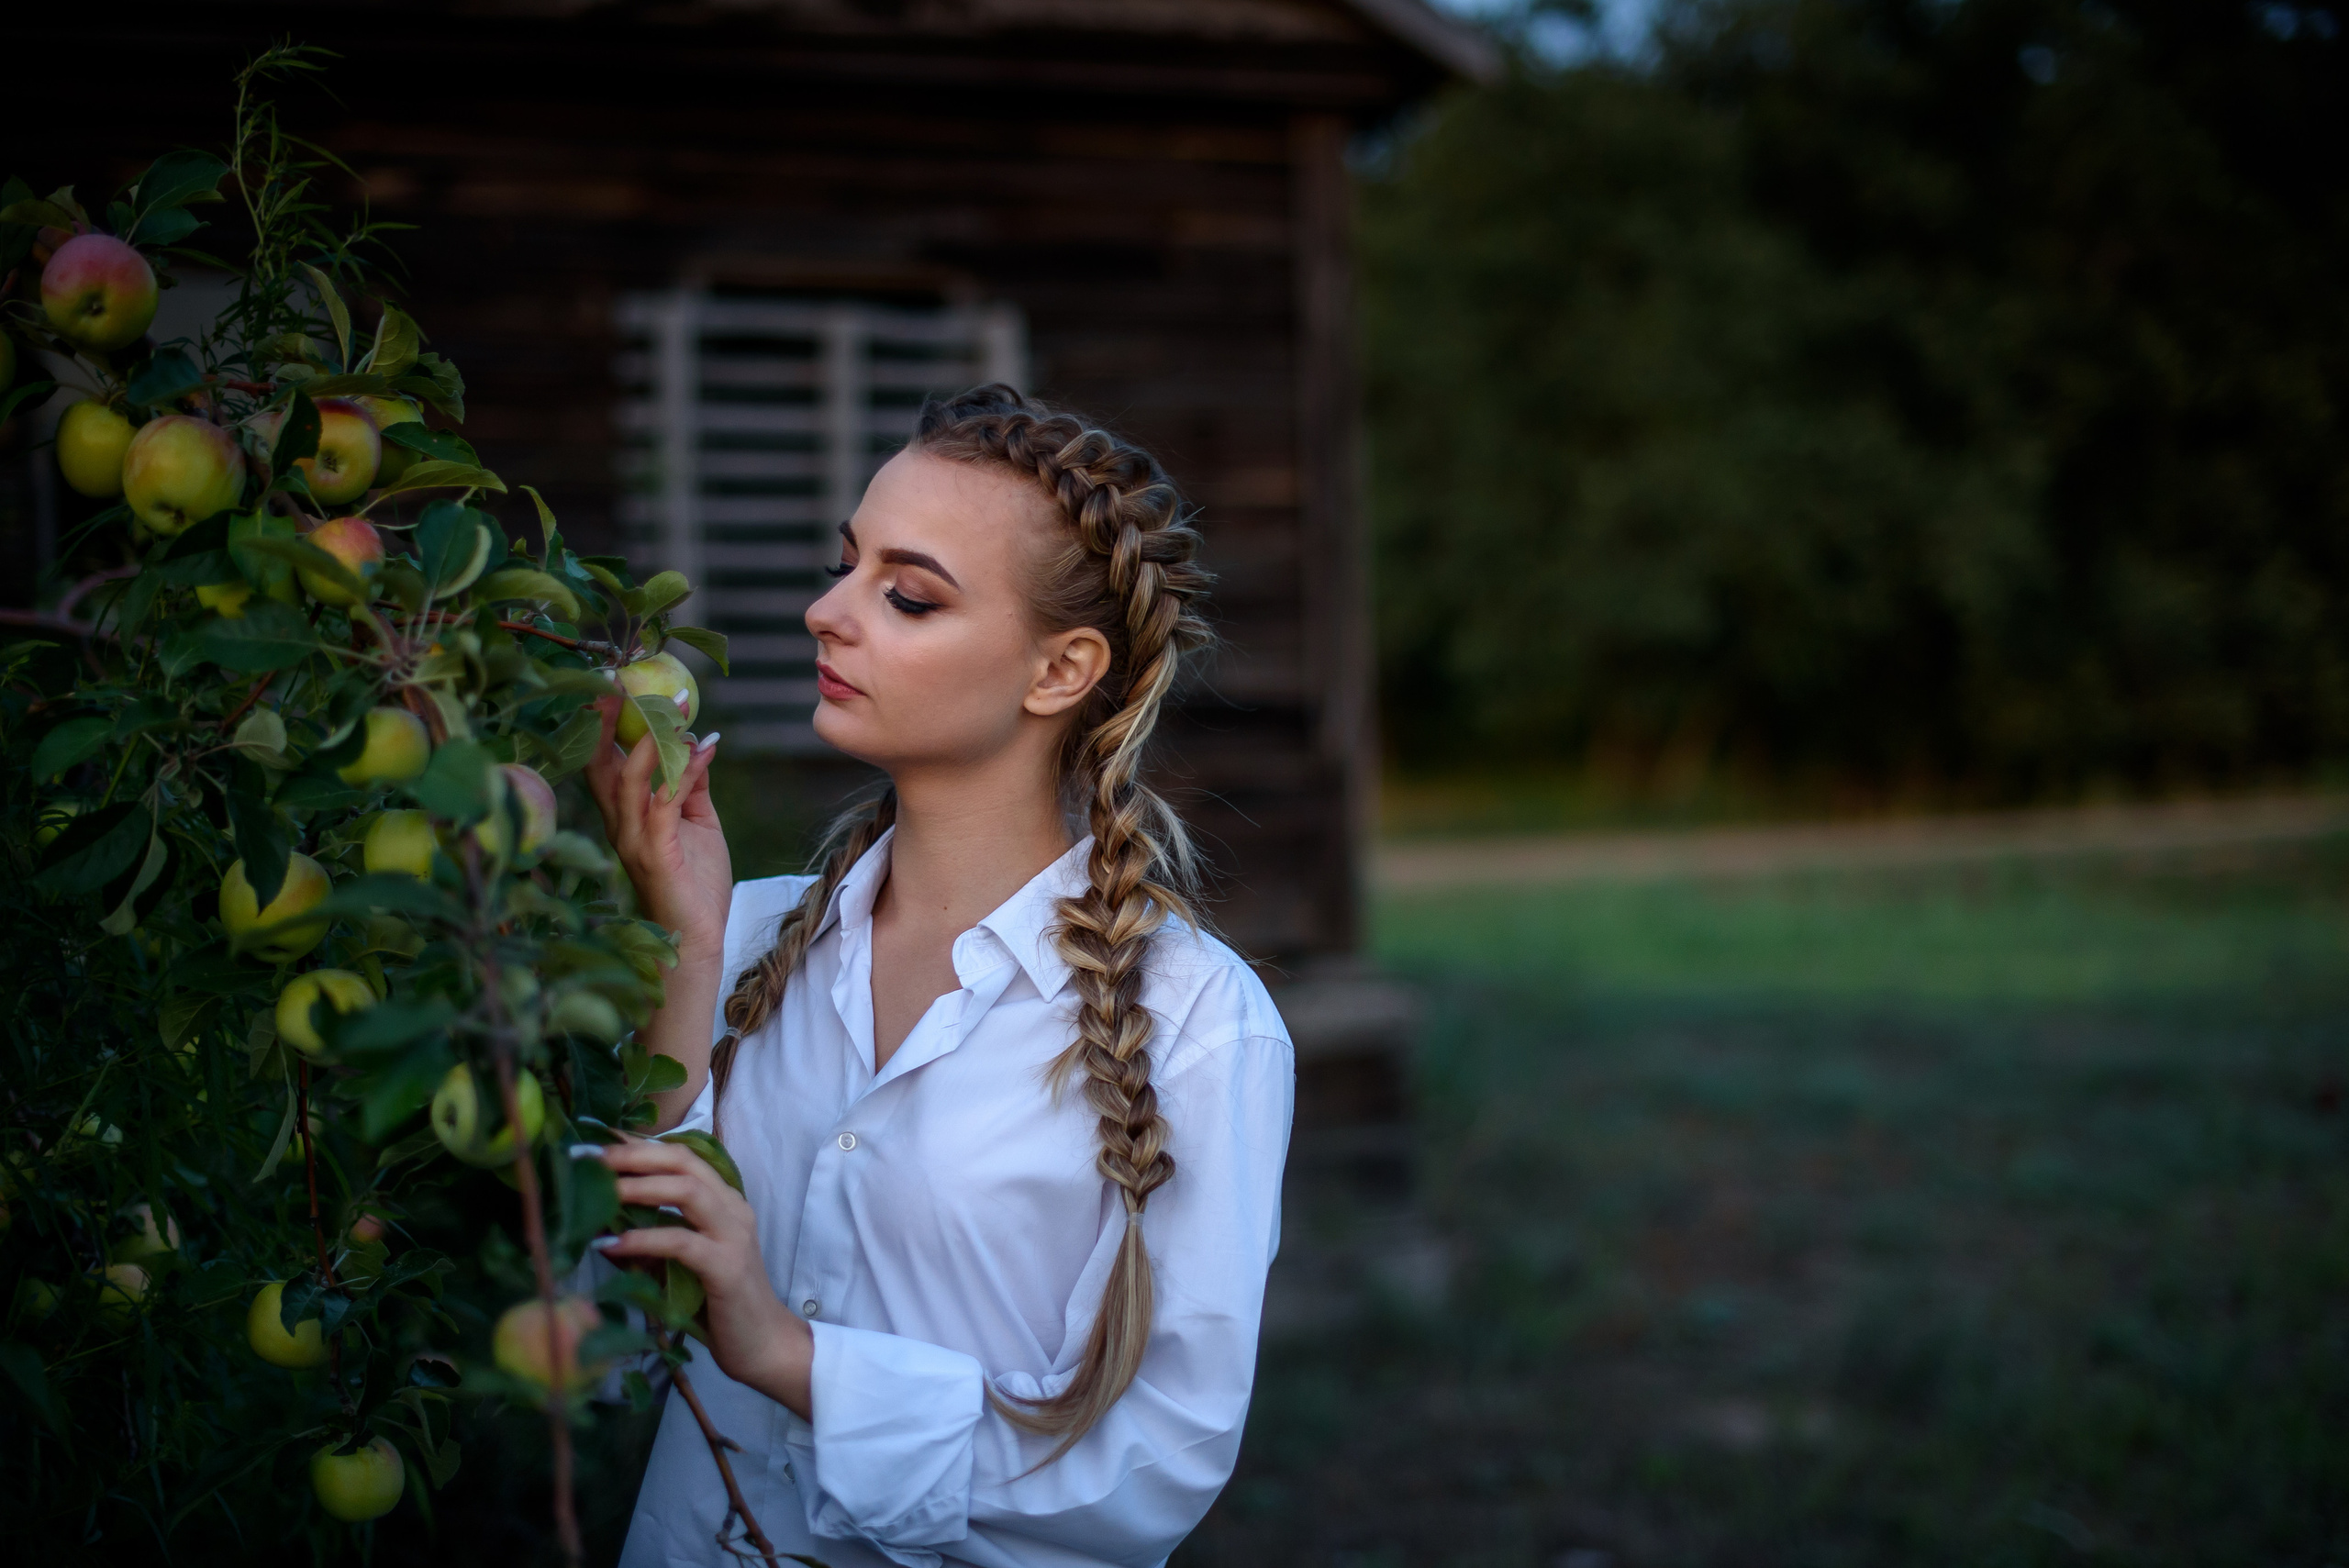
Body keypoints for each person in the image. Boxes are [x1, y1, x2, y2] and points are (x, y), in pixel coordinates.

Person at [585, 385, 1297, 1568]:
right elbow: (600, 1326)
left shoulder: (1196, 1024)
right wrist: (689, 950)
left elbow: (1150, 1469)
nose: (824, 613)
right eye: (845, 566)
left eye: (906, 595)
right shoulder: (744, 936)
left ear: (1060, 670)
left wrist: (788, 1355)